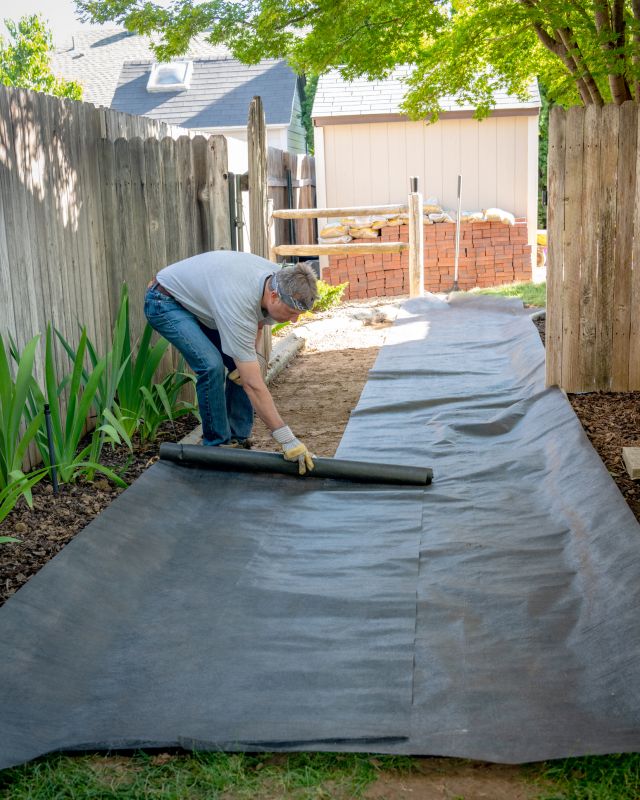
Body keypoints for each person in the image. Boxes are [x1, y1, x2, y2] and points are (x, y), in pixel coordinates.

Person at [144, 251, 318, 474]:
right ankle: (217, 448)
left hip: (206, 306)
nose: (294, 319)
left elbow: (256, 323)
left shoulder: (280, 279)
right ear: (274, 296)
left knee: (245, 366)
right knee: (211, 365)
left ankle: (237, 439)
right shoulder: (240, 300)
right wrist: (287, 440)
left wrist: (246, 362)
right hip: (166, 301)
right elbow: (253, 384)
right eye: (292, 312)